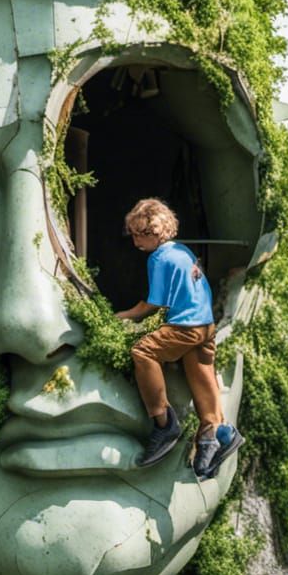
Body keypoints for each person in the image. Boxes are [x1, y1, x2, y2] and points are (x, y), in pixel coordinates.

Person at [115, 198, 243, 475]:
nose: (137, 241)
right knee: (201, 376)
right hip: (206, 326)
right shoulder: (183, 251)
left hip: (186, 326)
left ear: (156, 232)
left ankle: (164, 423)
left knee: (143, 351)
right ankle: (218, 435)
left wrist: (118, 317)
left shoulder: (158, 258)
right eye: (134, 234)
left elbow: (150, 305)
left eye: (141, 234)